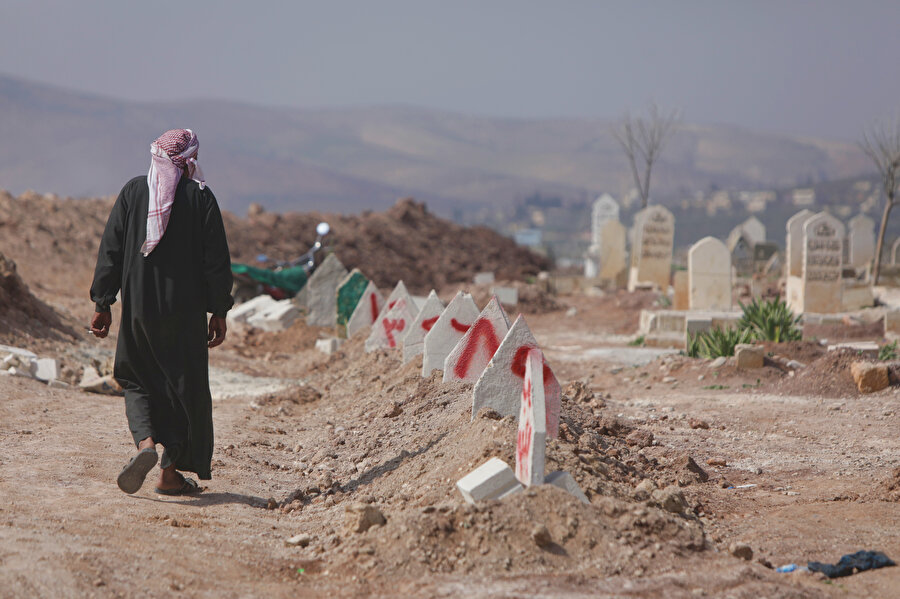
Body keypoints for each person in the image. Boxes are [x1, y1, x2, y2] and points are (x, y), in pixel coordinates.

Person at [90, 128, 233, 495]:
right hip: (185, 312)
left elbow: (112, 250)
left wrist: (103, 302)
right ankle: (169, 473)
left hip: (138, 306)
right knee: (182, 385)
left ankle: (146, 446)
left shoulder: (134, 192)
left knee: (138, 378)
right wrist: (219, 310)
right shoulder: (201, 198)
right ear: (189, 160)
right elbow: (216, 261)